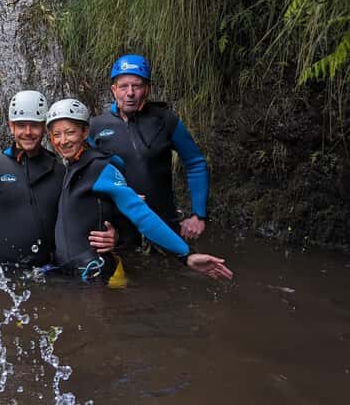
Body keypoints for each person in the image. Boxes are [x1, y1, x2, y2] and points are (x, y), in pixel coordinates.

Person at [47, 98, 232, 281]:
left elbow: (140, 213)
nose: (63, 141)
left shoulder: (99, 168)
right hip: (70, 273)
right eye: (56, 135)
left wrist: (186, 254)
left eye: (70, 133)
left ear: (85, 132)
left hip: (94, 274)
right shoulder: (71, 166)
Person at [0, 91, 116, 288]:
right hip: (0, 274)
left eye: (34, 125)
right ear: (10, 127)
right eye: (20, 125)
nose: (27, 131)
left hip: (51, 272)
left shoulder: (62, 170)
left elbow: (89, 212)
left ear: (45, 128)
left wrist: (114, 236)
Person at [90, 54, 209, 241]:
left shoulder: (165, 120)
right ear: (114, 90)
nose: (130, 93)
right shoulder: (96, 126)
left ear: (147, 89)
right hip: (119, 231)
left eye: (136, 86)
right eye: (123, 87)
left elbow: (195, 163)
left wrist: (198, 215)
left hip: (164, 225)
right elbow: (86, 178)